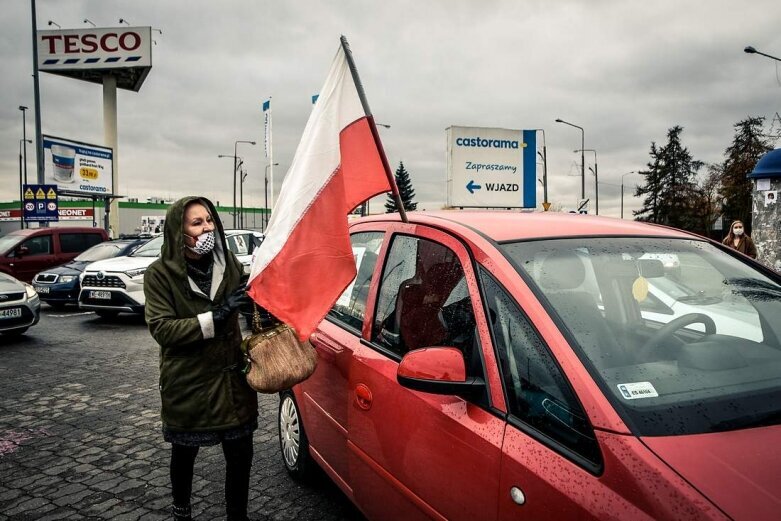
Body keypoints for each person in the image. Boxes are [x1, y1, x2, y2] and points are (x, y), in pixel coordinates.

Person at [144, 196, 257, 521]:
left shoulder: (230, 264)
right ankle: (182, 511)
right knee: (184, 453)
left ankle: (238, 516)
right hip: (188, 383)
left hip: (232, 381)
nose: (207, 227)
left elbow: (246, 304)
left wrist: (252, 304)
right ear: (180, 231)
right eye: (197, 223)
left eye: (209, 220)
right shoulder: (160, 275)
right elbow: (163, 329)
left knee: (240, 454)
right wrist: (216, 317)